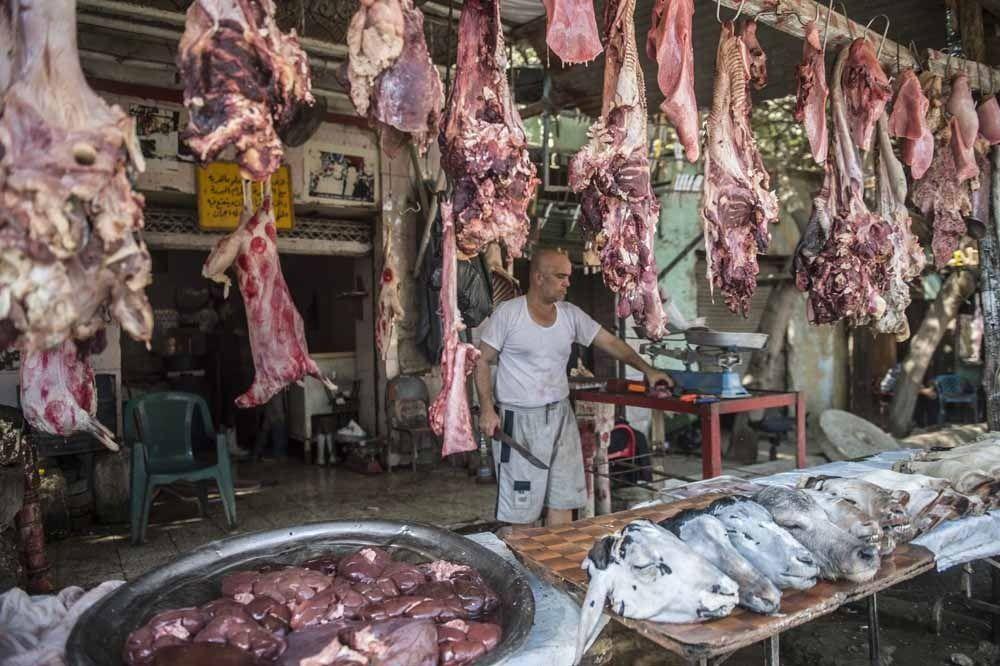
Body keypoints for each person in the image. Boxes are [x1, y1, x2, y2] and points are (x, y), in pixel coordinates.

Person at [474, 248, 673, 526]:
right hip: (518, 422)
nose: (568, 282)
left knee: (564, 499)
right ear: (538, 278)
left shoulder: (570, 315)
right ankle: (520, 567)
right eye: (561, 277)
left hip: (561, 416)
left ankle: (555, 568)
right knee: (521, 512)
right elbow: (482, 361)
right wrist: (486, 409)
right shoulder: (509, 315)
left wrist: (648, 371)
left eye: (568, 276)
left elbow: (612, 343)